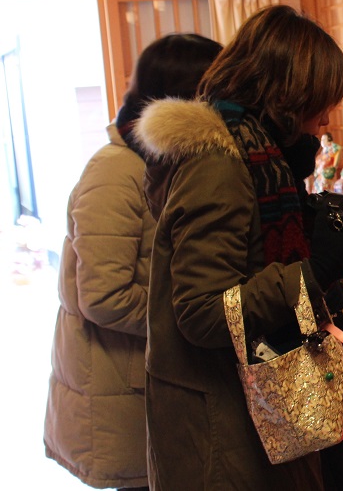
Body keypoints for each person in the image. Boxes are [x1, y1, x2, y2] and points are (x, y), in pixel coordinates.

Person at [136, 6, 343, 490]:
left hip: (264, 415)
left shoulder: (262, 160)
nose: (326, 120)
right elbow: (202, 313)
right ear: (284, 96)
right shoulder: (219, 165)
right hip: (224, 431)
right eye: (318, 103)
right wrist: (315, 267)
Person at [43, 33, 222, 491]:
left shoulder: (162, 163)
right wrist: (194, 312)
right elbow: (103, 296)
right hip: (119, 397)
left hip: (146, 384)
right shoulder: (116, 170)